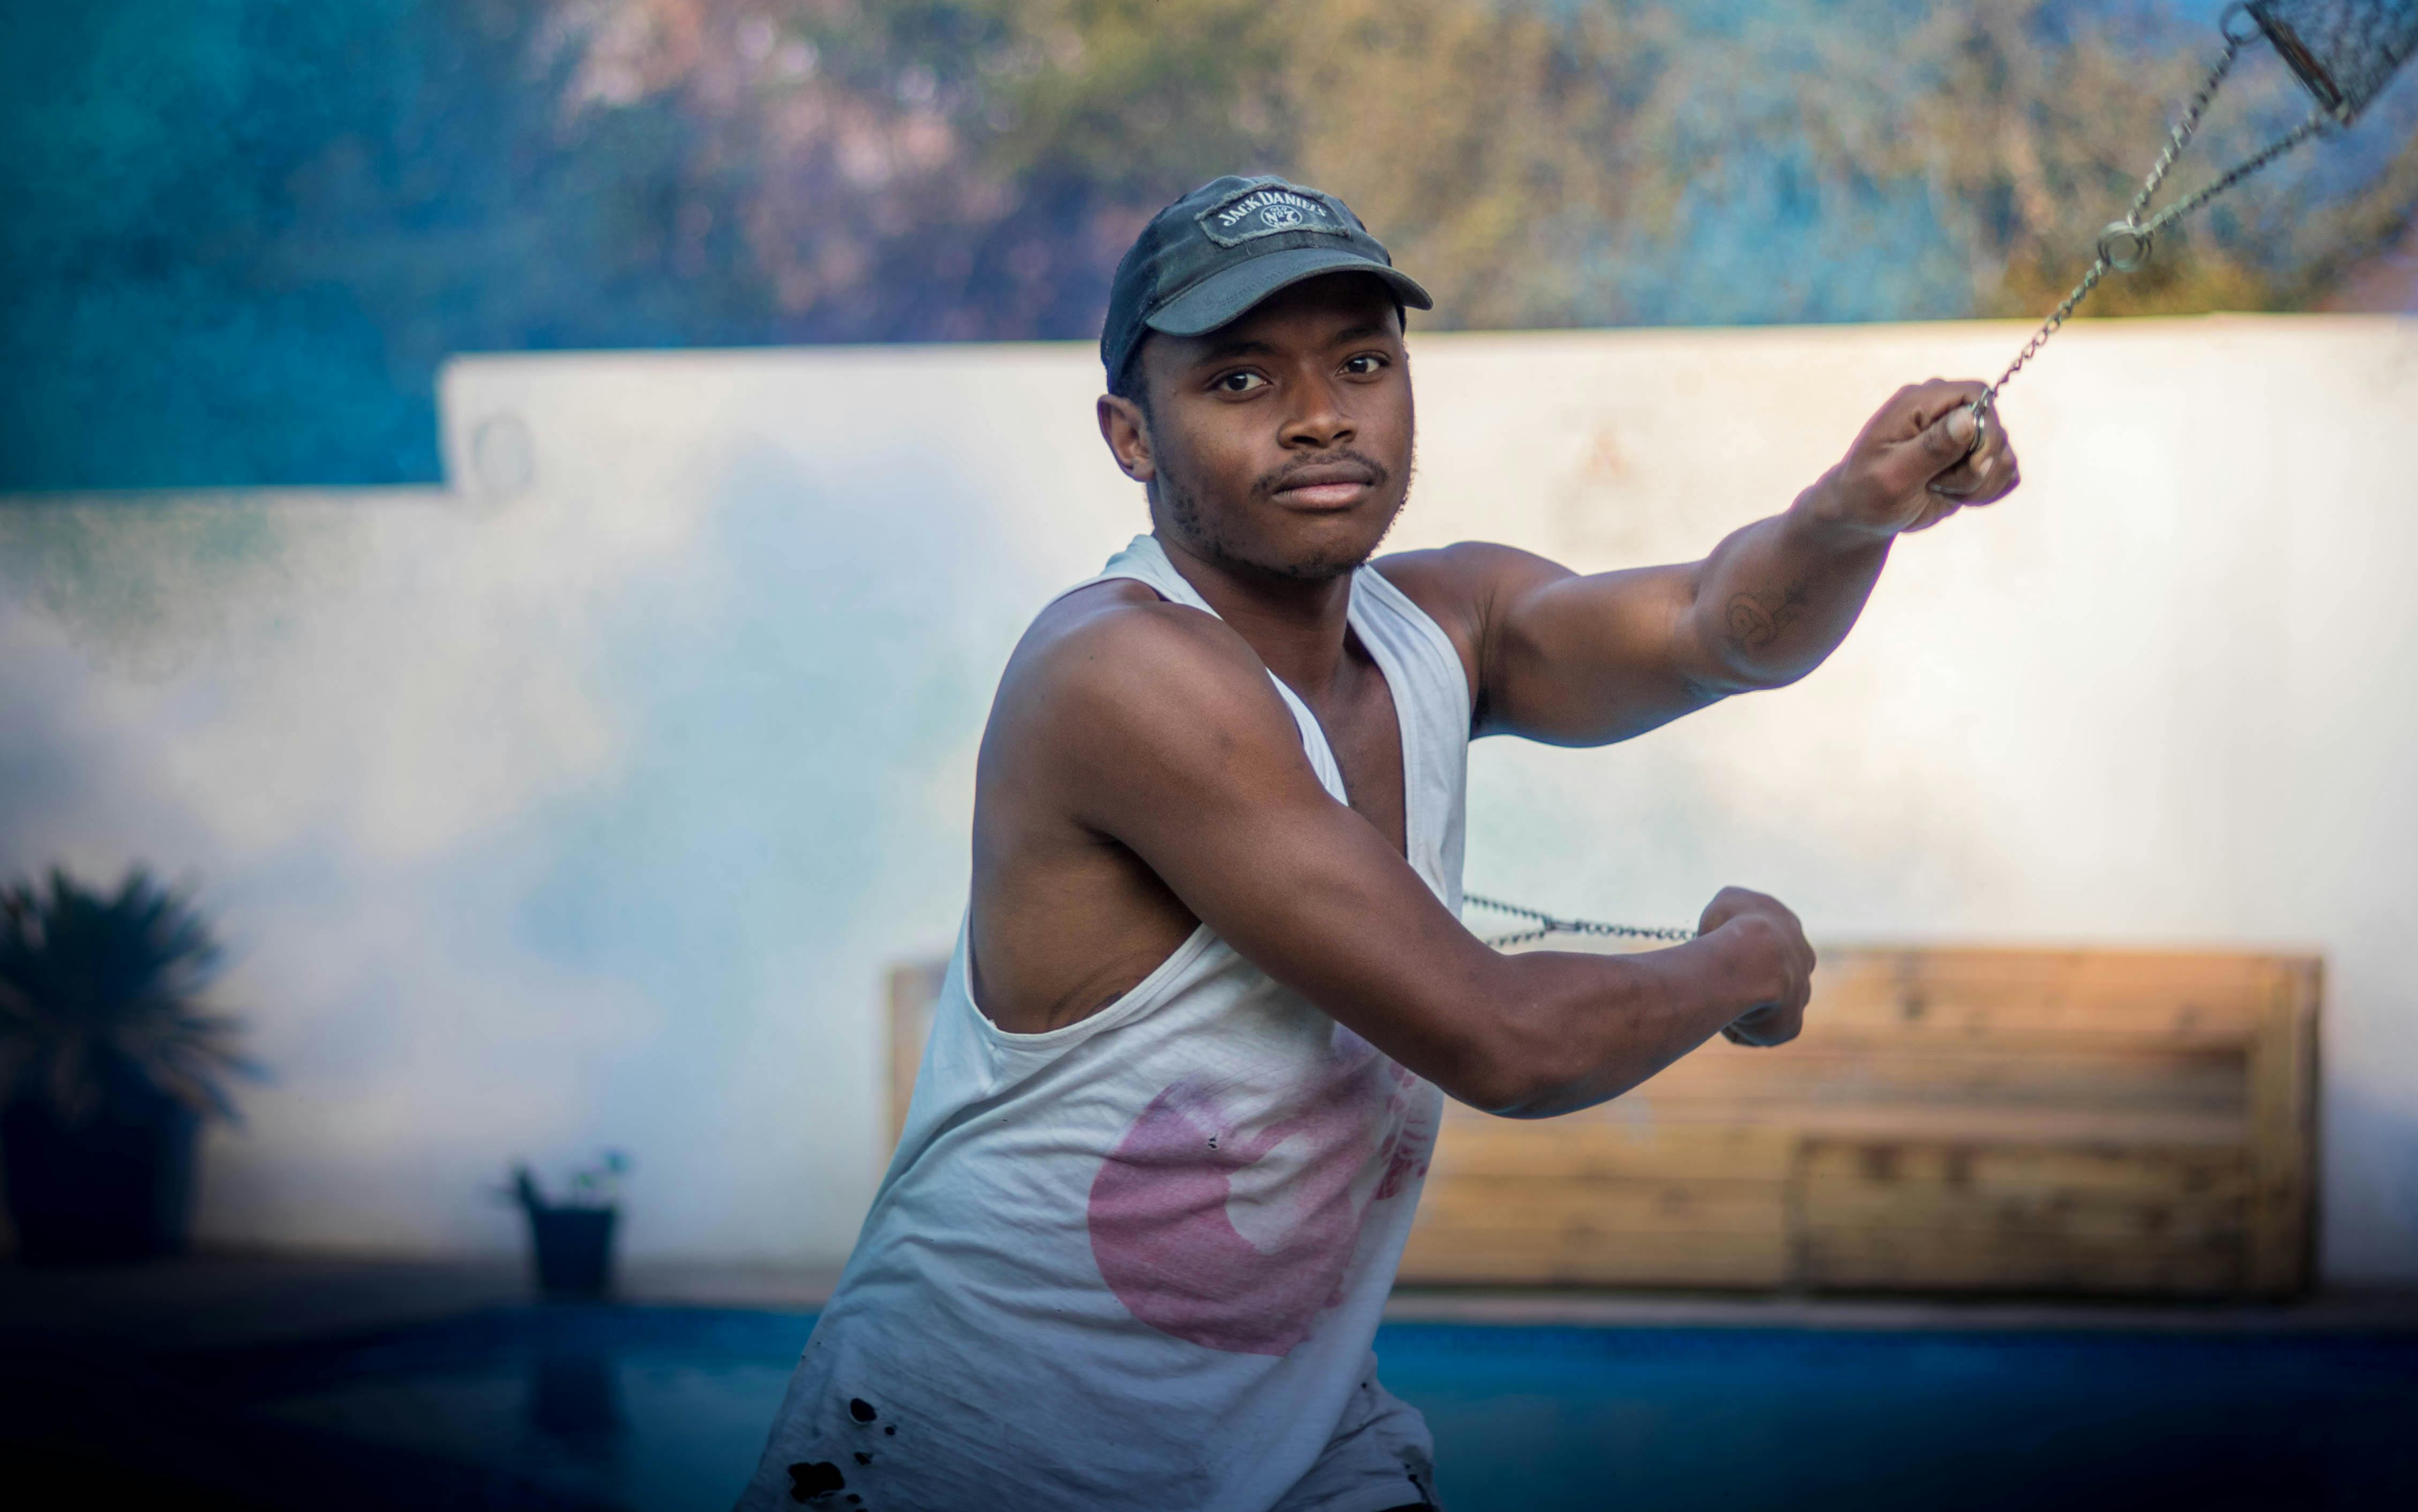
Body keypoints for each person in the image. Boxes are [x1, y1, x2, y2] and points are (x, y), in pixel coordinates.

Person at [737, 175, 2021, 1512]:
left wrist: (1854, 512)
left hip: (1280, 1443)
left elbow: (1720, 624)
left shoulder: (1444, 621)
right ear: (1131, 434)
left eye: (1362, 361)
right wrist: (1738, 961)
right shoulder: (1119, 671)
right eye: (1240, 380)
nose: (1319, 414)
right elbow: (1503, 1039)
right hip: (961, 1456)